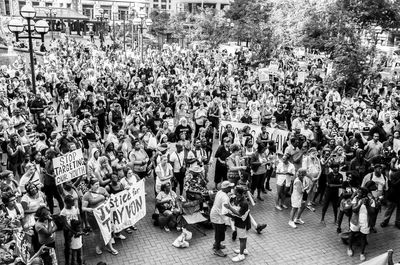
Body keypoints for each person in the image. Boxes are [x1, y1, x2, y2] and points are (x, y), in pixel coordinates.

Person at [82, 178, 118, 256]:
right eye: (96, 184)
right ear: (91, 185)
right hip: (93, 217)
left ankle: (110, 247)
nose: (98, 186)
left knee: (107, 230)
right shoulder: (87, 195)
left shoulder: (102, 189)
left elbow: (108, 196)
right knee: (97, 232)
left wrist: (107, 200)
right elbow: (83, 208)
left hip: (104, 215)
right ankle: (98, 247)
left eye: (98, 184)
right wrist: (88, 209)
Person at [347, 187, 374, 262]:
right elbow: (354, 210)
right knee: (352, 234)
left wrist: (367, 204)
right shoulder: (356, 198)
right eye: (357, 192)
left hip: (365, 221)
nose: (357, 194)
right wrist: (360, 204)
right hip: (355, 220)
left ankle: (362, 253)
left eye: (359, 193)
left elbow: (372, 212)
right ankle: (349, 248)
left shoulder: (371, 200)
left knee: (363, 237)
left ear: (364, 194)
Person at [224, 186, 251, 262]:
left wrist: (229, 208)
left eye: (236, 193)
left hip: (242, 223)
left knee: (242, 238)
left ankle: (241, 255)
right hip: (239, 222)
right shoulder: (238, 199)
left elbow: (239, 214)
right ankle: (244, 249)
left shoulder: (244, 203)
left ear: (240, 194)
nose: (234, 194)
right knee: (242, 237)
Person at [210, 180, 234, 257]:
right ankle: (217, 249)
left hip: (215, 215)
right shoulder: (225, 197)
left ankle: (217, 244)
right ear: (226, 188)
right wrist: (233, 216)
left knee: (220, 232)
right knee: (219, 234)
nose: (231, 188)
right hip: (218, 218)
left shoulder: (220, 192)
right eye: (230, 187)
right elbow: (225, 212)